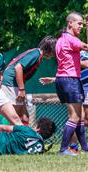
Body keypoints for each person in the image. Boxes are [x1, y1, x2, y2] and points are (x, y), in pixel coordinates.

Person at [0, 36, 57, 126]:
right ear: (50, 48)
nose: (54, 54)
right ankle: (2, 137)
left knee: (24, 116)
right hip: (11, 83)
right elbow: (18, 67)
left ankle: (22, 138)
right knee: (15, 119)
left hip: (13, 83)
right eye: (55, 50)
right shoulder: (36, 54)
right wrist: (21, 90)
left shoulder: (36, 53)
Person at [54, 11, 88, 155]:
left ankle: (85, 148)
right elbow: (85, 47)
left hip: (63, 79)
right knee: (74, 116)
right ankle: (63, 149)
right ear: (70, 23)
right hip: (71, 80)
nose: (81, 26)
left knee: (79, 116)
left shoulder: (61, 39)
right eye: (79, 23)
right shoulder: (71, 39)